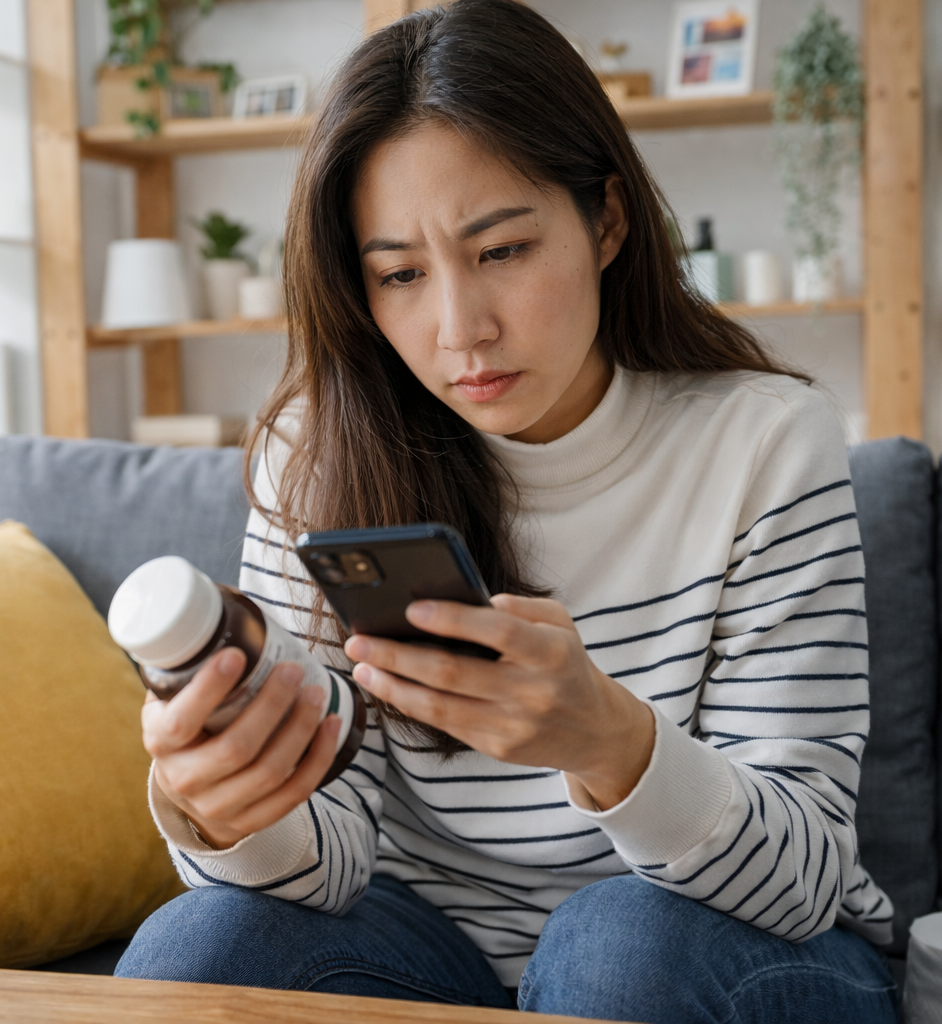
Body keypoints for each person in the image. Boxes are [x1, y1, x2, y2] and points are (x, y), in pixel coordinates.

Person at [114, 2, 898, 1020]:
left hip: (720, 949)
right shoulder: (315, 457)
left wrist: (611, 742)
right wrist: (224, 807)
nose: (460, 329)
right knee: (197, 943)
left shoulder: (764, 441)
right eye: (400, 273)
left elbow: (800, 878)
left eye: (503, 251)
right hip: (433, 955)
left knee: (614, 948)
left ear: (607, 220)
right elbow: (323, 867)